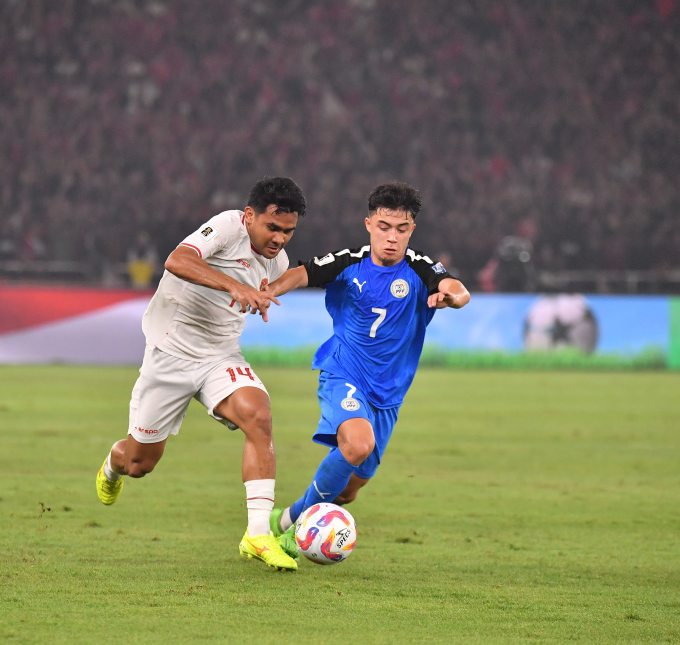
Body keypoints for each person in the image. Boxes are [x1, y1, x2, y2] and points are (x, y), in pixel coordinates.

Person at [96, 177, 307, 571]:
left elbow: (256, 292)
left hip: (219, 357)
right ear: (250, 216)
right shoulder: (227, 227)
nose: (279, 239)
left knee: (259, 417)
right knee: (139, 464)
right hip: (170, 353)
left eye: (288, 231)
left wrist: (257, 298)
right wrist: (234, 285)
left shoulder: (276, 262)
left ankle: (257, 534)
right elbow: (177, 260)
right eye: (273, 227)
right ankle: (113, 462)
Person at [262, 181, 470, 558]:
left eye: (401, 229)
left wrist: (453, 296)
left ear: (412, 231)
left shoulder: (420, 268)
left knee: (348, 490)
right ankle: (297, 534)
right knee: (357, 444)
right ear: (369, 224)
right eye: (384, 227)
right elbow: (303, 273)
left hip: (389, 396)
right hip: (345, 372)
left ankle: (285, 521)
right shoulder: (349, 261)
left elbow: (454, 286)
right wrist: (269, 290)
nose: (392, 237)